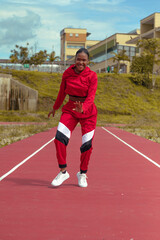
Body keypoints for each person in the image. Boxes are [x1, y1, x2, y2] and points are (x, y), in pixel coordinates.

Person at [48, 48, 98, 188]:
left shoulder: (92, 76)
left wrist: (84, 108)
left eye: (84, 60)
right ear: (75, 60)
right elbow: (62, 92)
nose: (81, 62)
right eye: (78, 59)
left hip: (88, 113)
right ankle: (63, 172)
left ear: (88, 61)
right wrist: (55, 107)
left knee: (87, 146)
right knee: (59, 139)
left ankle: (82, 174)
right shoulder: (67, 73)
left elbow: (91, 96)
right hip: (70, 109)